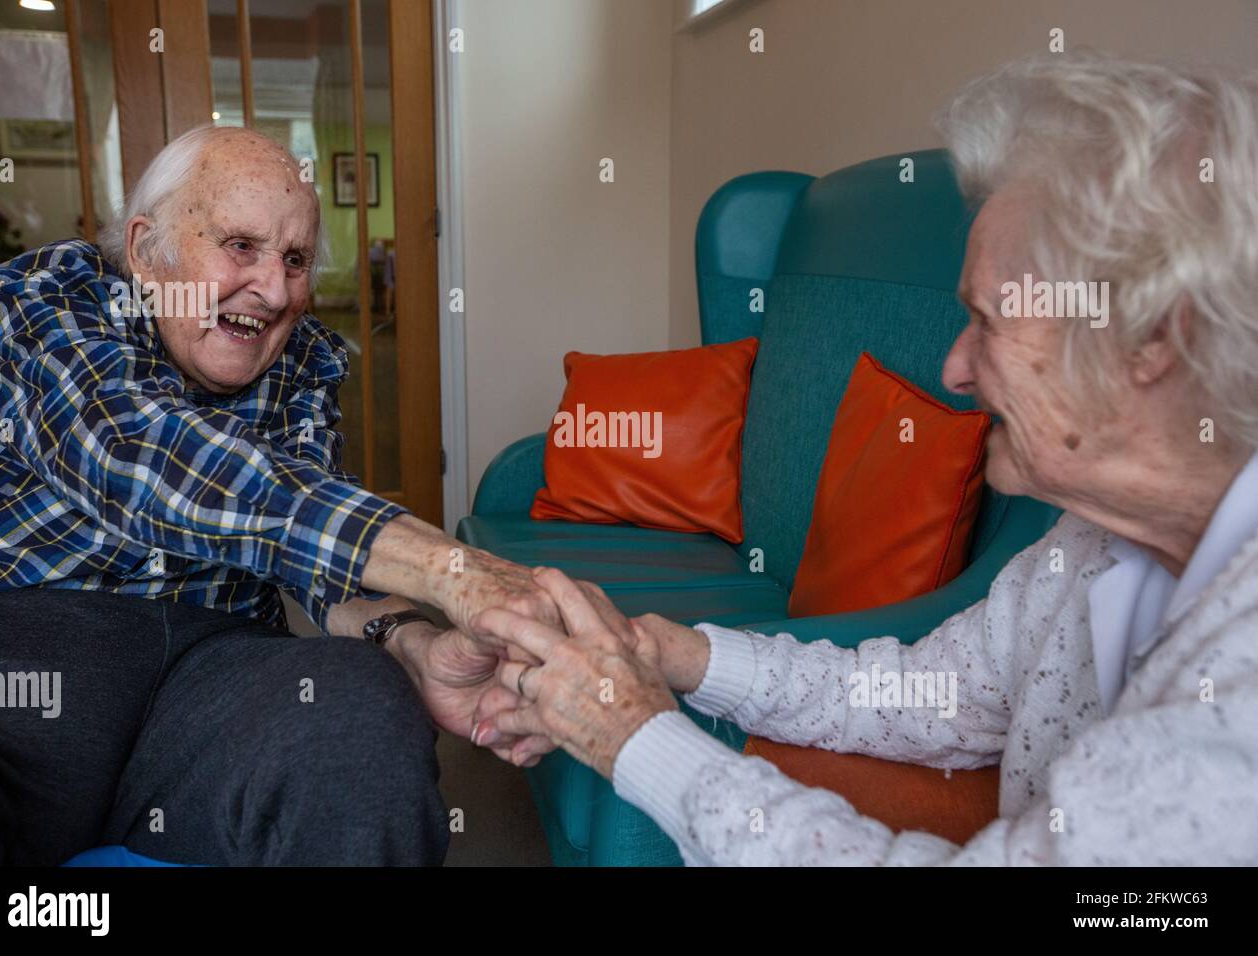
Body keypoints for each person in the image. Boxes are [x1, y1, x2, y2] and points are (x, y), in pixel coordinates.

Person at [469, 52, 1258, 865]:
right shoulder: (1091, 546)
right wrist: (674, 652)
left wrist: (636, 738)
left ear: (1155, 338)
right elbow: (935, 696)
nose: (954, 368)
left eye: (988, 320)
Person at [0, 125, 579, 865]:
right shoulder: (48, 296)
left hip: (207, 673)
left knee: (355, 707)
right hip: (8, 667)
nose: (277, 290)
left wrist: (415, 642)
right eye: (241, 246)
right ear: (147, 249)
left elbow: (316, 562)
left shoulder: (302, 363)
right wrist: (454, 570)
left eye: (295, 259)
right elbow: (137, 457)